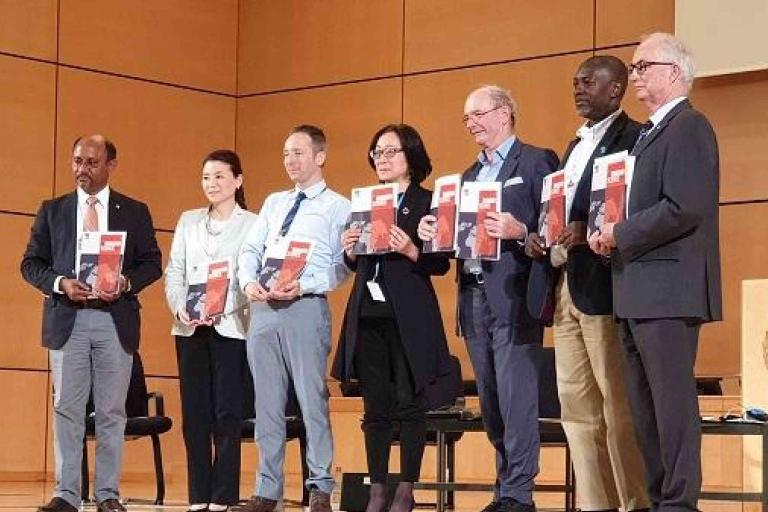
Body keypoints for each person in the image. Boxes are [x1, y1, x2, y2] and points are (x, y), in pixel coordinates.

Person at [588, 33, 722, 512]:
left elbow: (685, 207)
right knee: (644, 412)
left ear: (674, 71)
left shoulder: (690, 126)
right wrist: (606, 233)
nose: (635, 74)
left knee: (671, 409)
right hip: (635, 291)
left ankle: (680, 502)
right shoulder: (649, 133)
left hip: (669, 291)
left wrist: (620, 233)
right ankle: (660, 497)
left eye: (643, 66)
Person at [419, 85, 559, 512]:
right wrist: (434, 235)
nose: (471, 124)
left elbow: (551, 229)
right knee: (492, 401)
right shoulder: (466, 177)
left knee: (518, 398)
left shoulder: (537, 161)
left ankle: (519, 492)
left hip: (515, 295)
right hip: (473, 297)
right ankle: (505, 488)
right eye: (466, 118)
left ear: (504, 114)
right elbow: (456, 242)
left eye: (477, 114)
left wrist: (520, 232)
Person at [525, 56, 649, 512]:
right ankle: (596, 505)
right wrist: (543, 233)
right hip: (565, 286)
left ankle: (635, 502)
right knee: (576, 411)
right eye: (575, 82)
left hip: (605, 287)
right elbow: (560, 210)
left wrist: (590, 229)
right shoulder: (573, 145)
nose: (578, 89)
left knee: (617, 409)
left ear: (616, 89)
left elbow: (634, 211)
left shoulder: (634, 139)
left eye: (588, 82)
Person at [20, 135, 162, 512]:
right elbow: (31, 264)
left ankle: (108, 495)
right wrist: (60, 283)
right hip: (69, 320)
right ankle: (67, 494)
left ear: (110, 165)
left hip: (114, 321)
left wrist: (127, 282)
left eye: (91, 163)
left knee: (112, 411)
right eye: (77, 161)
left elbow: (152, 262)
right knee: (67, 407)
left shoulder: (134, 211)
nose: (82, 169)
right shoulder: (52, 210)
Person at [332, 124, 456, 512]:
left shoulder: (427, 201)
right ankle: (377, 489)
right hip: (368, 313)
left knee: (408, 401)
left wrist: (412, 250)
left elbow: (441, 263)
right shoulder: (367, 201)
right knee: (375, 408)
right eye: (377, 153)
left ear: (410, 157)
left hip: (409, 315)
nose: (381, 159)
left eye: (389, 152)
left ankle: (406, 487)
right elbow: (355, 263)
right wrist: (349, 251)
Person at [234, 125, 351, 512]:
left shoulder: (339, 207)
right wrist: (249, 281)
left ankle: (320, 485)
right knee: (266, 402)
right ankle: (267, 489)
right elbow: (250, 248)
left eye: (298, 153)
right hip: (265, 308)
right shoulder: (274, 202)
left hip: (305, 307)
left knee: (310, 398)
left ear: (320, 156)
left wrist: (304, 285)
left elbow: (341, 268)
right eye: (286, 153)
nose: (290, 161)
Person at [164, 150, 257, 512]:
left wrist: (224, 306)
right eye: (206, 177)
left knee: (227, 413)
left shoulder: (252, 223)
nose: (212, 184)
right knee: (195, 415)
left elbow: (252, 275)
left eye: (219, 176)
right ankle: (198, 495)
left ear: (237, 180)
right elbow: (175, 272)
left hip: (230, 327)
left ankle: (223, 496)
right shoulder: (188, 220)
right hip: (189, 329)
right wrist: (180, 307)